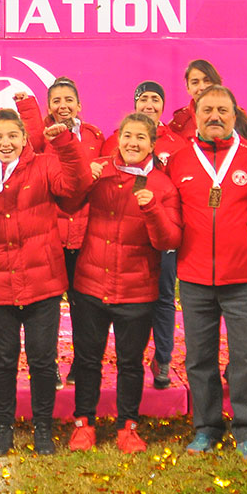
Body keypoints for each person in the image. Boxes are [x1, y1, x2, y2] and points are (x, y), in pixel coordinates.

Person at [0, 109, 89, 456]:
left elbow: (76, 188)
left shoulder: (44, 166)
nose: (5, 143)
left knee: (43, 359)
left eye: (12, 136)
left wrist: (65, 144)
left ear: (24, 138)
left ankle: (42, 428)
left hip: (42, 281)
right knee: (3, 361)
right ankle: (3, 430)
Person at [168, 86, 247, 461]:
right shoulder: (179, 160)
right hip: (194, 275)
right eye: (208, 109)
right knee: (199, 356)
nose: (215, 116)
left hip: (242, 275)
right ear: (196, 114)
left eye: (223, 110)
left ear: (235, 114)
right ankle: (206, 428)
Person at [67, 113, 182, 453]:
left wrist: (153, 211)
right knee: (87, 359)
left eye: (140, 138)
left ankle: (127, 427)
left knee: (130, 362)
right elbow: (68, 204)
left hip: (137, 290)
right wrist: (85, 180)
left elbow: (169, 240)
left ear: (151, 144)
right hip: (90, 283)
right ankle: (83, 424)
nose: (133, 143)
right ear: (119, 139)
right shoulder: (99, 169)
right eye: (127, 135)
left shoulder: (162, 184)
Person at [15, 78, 106, 387]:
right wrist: (27, 108)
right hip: (50, 234)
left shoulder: (95, 136)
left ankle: (82, 365)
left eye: (69, 100)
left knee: (86, 309)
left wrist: (97, 170)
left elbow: (107, 170)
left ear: (79, 105)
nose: (63, 105)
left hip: (86, 235)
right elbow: (28, 148)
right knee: (47, 309)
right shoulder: (40, 137)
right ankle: (47, 366)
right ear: (48, 105)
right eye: (56, 100)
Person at [103, 81, 183, 391]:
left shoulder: (177, 142)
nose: (149, 104)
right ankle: (121, 358)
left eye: (155, 99)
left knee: (164, 297)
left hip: (160, 229)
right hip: (124, 236)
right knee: (122, 300)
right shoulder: (115, 138)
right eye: (144, 98)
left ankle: (162, 358)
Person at [167, 59, 222, 137]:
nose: (202, 87)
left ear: (217, 84)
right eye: (195, 83)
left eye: (207, 81)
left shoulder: (235, 116)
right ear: (188, 88)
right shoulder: (178, 123)